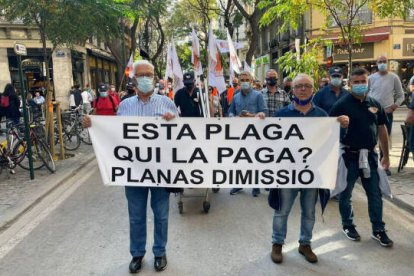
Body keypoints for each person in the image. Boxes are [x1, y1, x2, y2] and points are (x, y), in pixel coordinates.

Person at [83, 60, 177, 273]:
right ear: (134, 79)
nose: (145, 78)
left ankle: (160, 252)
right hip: (133, 172)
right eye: (141, 75)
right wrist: (93, 125)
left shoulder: (167, 104)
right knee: (136, 216)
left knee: (161, 215)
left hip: (160, 171)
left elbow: (181, 137)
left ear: (154, 77)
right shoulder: (125, 105)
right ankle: (137, 254)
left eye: (149, 74)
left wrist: (174, 122)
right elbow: (115, 135)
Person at [269, 73, 348, 264]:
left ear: (313, 90)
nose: (303, 89)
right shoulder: (281, 115)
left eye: (307, 86)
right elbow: (269, 142)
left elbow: (331, 141)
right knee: (283, 209)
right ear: (292, 90)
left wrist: (341, 126)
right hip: (287, 173)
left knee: (309, 211)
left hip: (312, 173)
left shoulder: (321, 115)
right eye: (298, 86)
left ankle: (305, 244)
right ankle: (277, 243)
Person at [330, 67, 394, 247]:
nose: (359, 85)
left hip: (370, 157)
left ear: (368, 82)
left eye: (362, 82)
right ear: (349, 84)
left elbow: (382, 130)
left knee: (375, 194)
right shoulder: (341, 105)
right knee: (345, 193)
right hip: (349, 156)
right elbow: (327, 129)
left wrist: (386, 156)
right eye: (356, 82)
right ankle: (348, 225)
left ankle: (378, 229)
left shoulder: (375, 104)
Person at [228, 71, 266, 197]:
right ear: (239, 82)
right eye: (242, 80)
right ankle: (239, 184)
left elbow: (264, 112)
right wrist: (234, 117)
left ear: (251, 81)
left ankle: (256, 186)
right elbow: (230, 112)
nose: (244, 82)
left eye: (246, 80)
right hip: (239, 134)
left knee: (255, 159)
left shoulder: (258, 95)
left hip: (255, 134)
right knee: (240, 160)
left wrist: (254, 116)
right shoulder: (235, 96)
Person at [368, 55, 404, 175]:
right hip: (372, 113)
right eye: (380, 62)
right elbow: (365, 94)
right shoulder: (371, 78)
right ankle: (371, 163)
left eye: (384, 61)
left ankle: (385, 164)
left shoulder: (394, 77)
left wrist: (395, 105)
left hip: (387, 113)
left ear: (387, 63)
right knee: (371, 138)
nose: (382, 63)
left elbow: (400, 95)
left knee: (385, 139)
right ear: (376, 63)